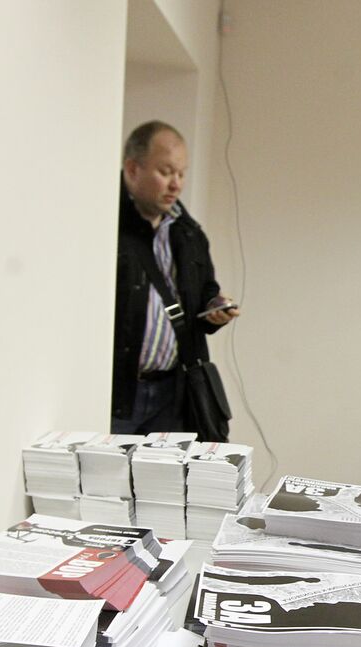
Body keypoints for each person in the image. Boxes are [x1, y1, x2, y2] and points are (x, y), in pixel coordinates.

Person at [114, 120, 240, 436]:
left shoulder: (189, 233)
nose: (176, 184)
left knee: (165, 485)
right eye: (166, 172)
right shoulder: (106, 224)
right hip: (119, 393)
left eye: (181, 174)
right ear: (132, 169)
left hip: (174, 394)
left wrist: (216, 309)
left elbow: (204, 296)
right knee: (107, 484)